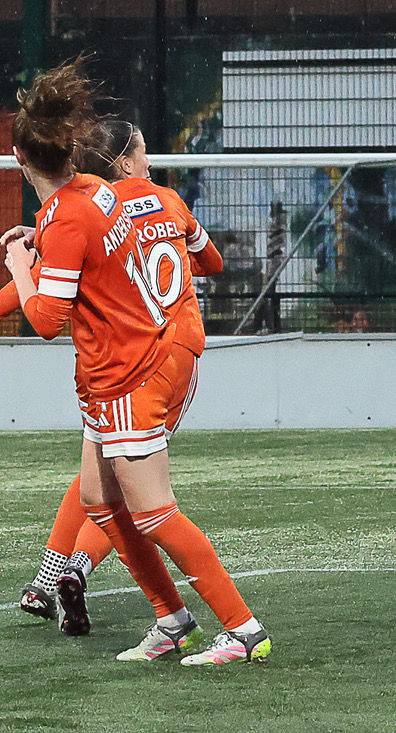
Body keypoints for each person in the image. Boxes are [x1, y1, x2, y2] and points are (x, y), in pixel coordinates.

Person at [3, 61, 268, 665]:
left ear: (23, 162)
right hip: (121, 368)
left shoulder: (70, 212)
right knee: (99, 501)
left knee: (155, 512)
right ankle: (171, 619)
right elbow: (90, 254)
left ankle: (243, 630)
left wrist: (22, 262)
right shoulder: (99, 195)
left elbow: (45, 320)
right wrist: (40, 246)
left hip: (130, 372)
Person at [13, 119, 225, 638]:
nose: (151, 159)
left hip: (115, 363)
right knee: (129, 495)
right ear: (126, 162)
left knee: (113, 484)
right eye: (145, 150)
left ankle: (56, 577)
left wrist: (27, 258)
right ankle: (229, 626)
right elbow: (210, 262)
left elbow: (43, 302)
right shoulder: (165, 202)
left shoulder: (89, 204)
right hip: (160, 353)